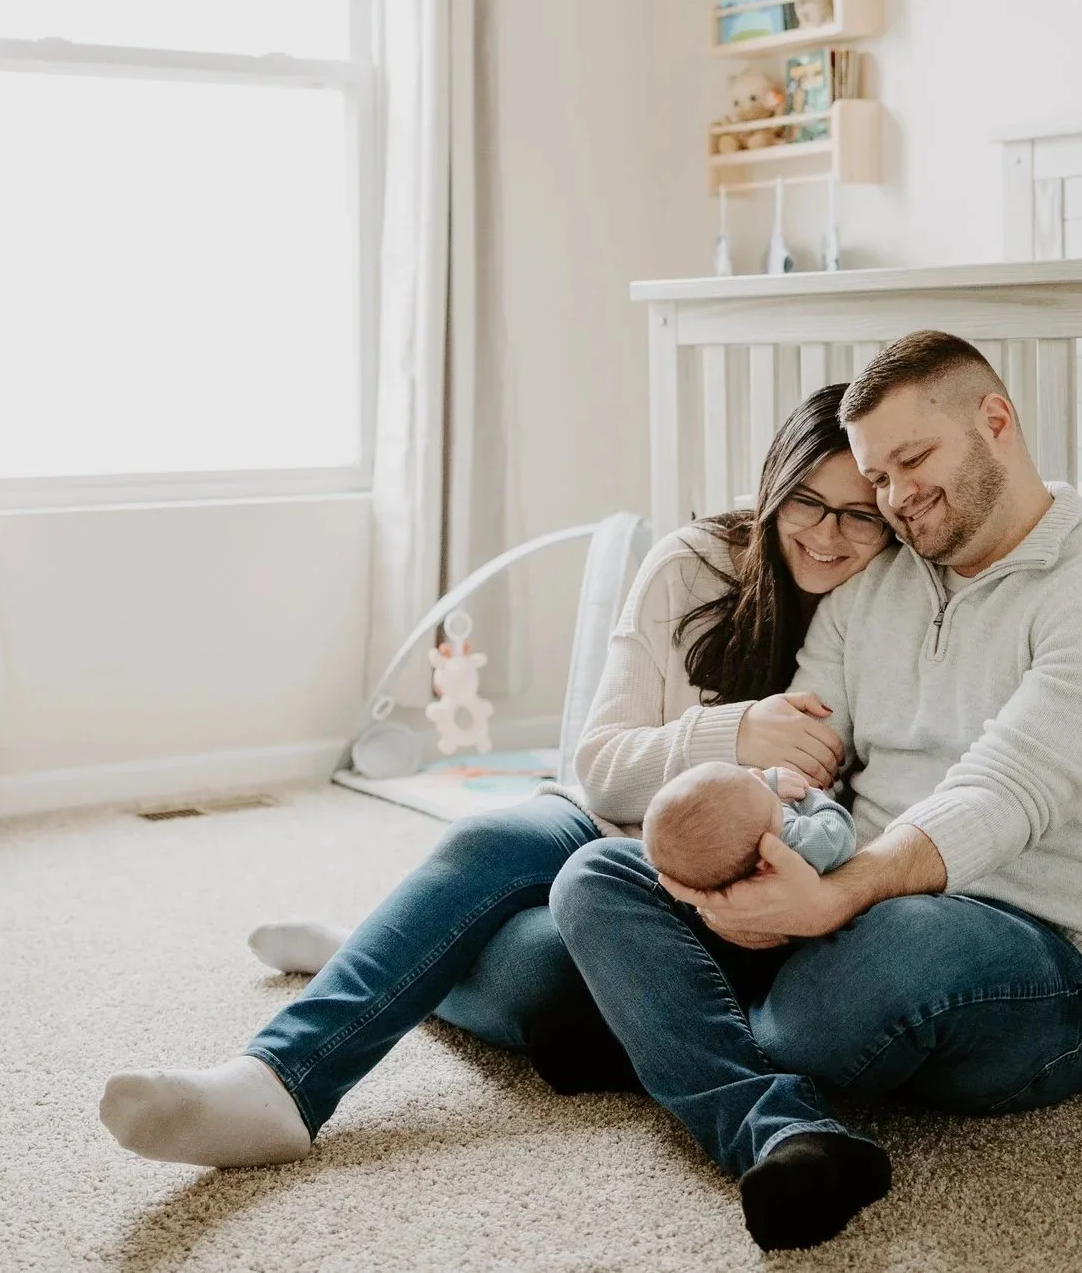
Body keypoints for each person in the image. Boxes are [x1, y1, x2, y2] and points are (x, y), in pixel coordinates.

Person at [94, 383, 893, 1169]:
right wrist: (739, 730)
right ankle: (277, 1081)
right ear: (773, 489)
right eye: (806, 501)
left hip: (707, 897)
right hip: (607, 823)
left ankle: (367, 946)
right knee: (489, 839)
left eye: (860, 512)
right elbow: (603, 768)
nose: (828, 532)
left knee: (536, 980)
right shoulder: (694, 564)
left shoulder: (887, 608)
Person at [550, 331, 1082, 1252]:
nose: (895, 495)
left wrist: (829, 900)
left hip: (1033, 953)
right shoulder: (875, 587)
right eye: (878, 476)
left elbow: (1001, 794)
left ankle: (669, 1036)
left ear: (997, 422)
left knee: (869, 964)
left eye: (913, 459)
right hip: (843, 902)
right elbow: (811, 753)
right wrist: (758, 841)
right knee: (596, 877)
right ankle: (783, 1131)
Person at [643, 762, 856, 891]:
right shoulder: (796, 840)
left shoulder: (732, 853)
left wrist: (769, 784)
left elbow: (741, 800)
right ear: (764, 863)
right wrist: (810, 796)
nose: (757, 773)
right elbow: (840, 830)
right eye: (758, 783)